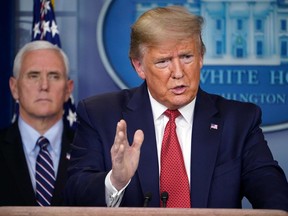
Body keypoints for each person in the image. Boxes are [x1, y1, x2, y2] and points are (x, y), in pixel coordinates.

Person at [64, 6, 288, 210]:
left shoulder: (238, 121)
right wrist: (116, 181)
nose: (179, 72)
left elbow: (275, 196)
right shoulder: (100, 115)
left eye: (187, 57)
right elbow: (73, 194)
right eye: (163, 61)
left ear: (201, 57)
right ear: (139, 66)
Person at [0, 40, 74, 206]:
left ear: (68, 89)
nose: (44, 86)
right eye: (33, 76)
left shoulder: (88, 149)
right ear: (14, 88)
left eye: (54, 76)